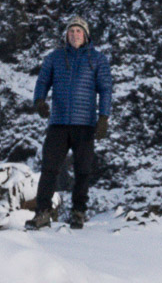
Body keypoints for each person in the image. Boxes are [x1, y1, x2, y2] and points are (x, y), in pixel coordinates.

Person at [30, 16, 113, 229]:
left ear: (85, 35)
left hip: (85, 124)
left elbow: (105, 89)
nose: (75, 34)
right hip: (58, 122)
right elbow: (42, 81)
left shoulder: (98, 59)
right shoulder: (55, 58)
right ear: (66, 35)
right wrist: (39, 101)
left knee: (83, 170)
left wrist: (103, 117)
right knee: (49, 168)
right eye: (71, 31)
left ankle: (78, 212)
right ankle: (42, 212)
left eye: (78, 31)